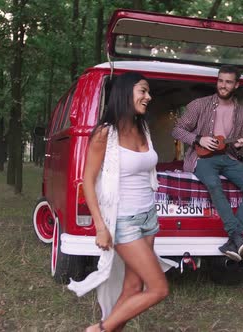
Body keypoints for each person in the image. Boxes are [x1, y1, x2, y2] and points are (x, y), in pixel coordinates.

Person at [69, 72, 170, 332]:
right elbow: (87, 181)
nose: (149, 97)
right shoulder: (105, 134)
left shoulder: (142, 128)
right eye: (143, 91)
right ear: (126, 92)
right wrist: (101, 227)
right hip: (124, 221)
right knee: (158, 288)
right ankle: (98, 330)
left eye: (148, 92)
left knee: (134, 287)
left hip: (148, 217)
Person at [172, 65, 243, 262]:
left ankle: (232, 240)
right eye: (220, 80)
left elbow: (237, 153)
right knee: (214, 183)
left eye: (228, 82)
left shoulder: (240, 113)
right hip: (201, 158)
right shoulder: (199, 105)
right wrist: (198, 139)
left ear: (236, 85)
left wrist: (240, 145)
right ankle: (236, 236)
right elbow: (177, 130)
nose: (223, 85)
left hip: (226, 158)